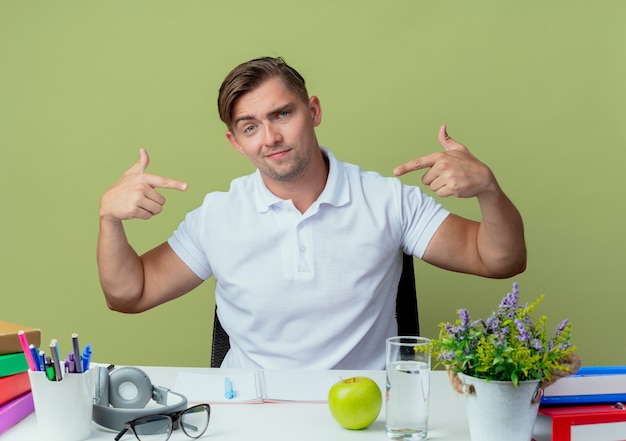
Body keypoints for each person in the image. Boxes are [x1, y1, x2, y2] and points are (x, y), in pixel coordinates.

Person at [97, 56, 526, 370]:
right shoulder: (218, 216)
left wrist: (488, 189)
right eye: (250, 126)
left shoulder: (386, 200)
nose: (270, 137)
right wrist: (109, 220)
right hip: (249, 416)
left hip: (365, 416)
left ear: (313, 111)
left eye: (282, 113)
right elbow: (129, 294)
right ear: (235, 142)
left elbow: (499, 260)